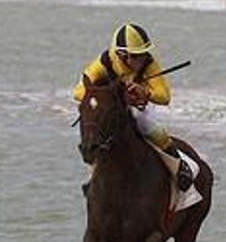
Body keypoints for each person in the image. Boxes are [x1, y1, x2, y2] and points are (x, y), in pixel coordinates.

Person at [72, 24, 193, 191]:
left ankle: (179, 165)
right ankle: (92, 177)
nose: (143, 58)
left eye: (143, 54)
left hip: (138, 106)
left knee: (143, 122)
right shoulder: (104, 62)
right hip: (112, 106)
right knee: (96, 130)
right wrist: (111, 96)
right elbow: (78, 92)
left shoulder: (149, 63)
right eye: (137, 56)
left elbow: (165, 97)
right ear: (122, 55)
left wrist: (145, 93)